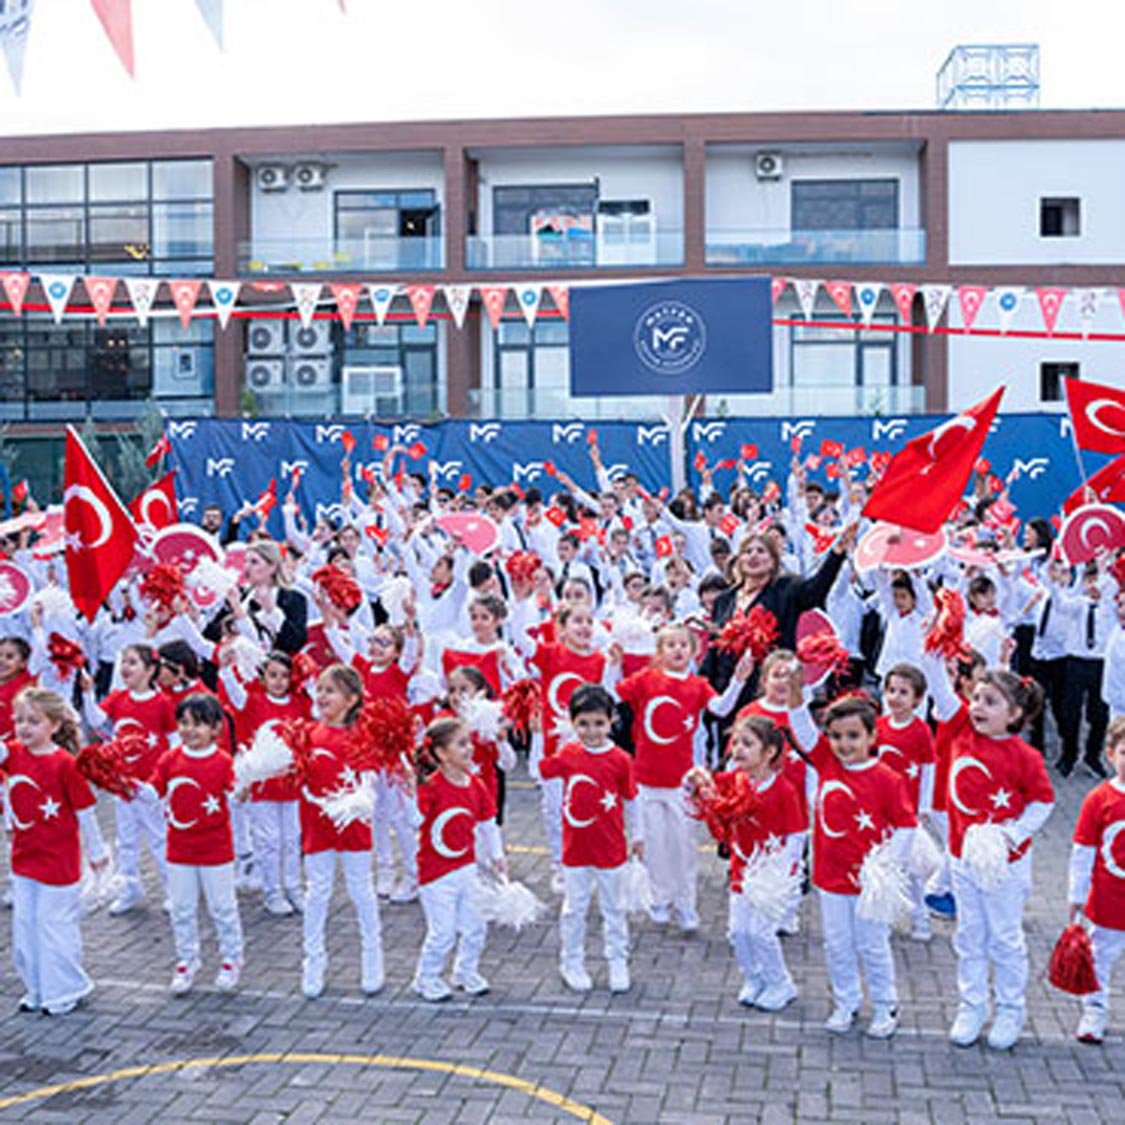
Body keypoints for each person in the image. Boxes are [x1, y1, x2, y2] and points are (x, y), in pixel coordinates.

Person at [928, 664, 1054, 1050]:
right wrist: (935, 638)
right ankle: (972, 1005)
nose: (978, 707)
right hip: (963, 857)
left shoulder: (1025, 756)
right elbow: (937, 682)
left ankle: (1011, 1008)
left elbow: (1043, 803)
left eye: (990, 702)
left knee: (1004, 937)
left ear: (1014, 714)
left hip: (1004, 863)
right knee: (969, 935)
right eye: (977, 698)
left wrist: (1009, 835)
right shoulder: (961, 733)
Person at [788, 694, 916, 1039]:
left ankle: (886, 1004)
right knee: (837, 943)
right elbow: (800, 728)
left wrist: (886, 864)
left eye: (853, 736)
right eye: (837, 736)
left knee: (872, 944)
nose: (844, 744)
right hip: (831, 878)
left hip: (868, 882)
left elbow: (907, 824)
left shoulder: (885, 777)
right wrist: (799, 694)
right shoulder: (827, 763)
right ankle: (846, 1000)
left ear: (872, 737)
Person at [610, 623, 751, 931]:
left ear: (693, 650)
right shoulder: (647, 680)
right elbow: (613, 694)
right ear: (659, 652)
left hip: (681, 782)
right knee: (654, 844)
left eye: (683, 645)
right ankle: (660, 898)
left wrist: (738, 682)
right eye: (670, 645)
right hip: (646, 779)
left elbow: (721, 707)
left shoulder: (698, 685)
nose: (677, 650)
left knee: (684, 846)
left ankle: (686, 905)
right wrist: (613, 665)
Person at [686, 715, 805, 1012]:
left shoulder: (783, 790)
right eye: (736, 742)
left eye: (747, 744)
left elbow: (797, 833)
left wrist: (784, 869)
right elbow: (702, 788)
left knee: (761, 932)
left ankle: (781, 983)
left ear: (769, 753)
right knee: (738, 931)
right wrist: (694, 779)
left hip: (770, 875)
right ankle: (754, 977)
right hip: (742, 870)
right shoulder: (734, 780)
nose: (738, 749)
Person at [1, 688, 108, 1014]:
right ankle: (36, 987)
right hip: (24, 857)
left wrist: (97, 851)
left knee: (54, 925)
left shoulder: (65, 763)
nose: (24, 727)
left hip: (58, 861)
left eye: (34, 721)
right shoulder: (12, 754)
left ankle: (66, 988)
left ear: (55, 724)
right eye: (19, 720)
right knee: (25, 925)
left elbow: (85, 811)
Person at [538, 684, 643, 994]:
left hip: (611, 848)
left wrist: (638, 835)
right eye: (583, 723)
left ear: (611, 722)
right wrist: (539, 734)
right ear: (572, 723)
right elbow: (542, 770)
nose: (591, 730)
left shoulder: (621, 759)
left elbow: (632, 799)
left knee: (614, 908)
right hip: (575, 850)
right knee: (574, 908)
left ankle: (617, 960)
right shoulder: (568, 753)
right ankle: (571, 960)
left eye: (599, 723)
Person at [148, 693, 244, 994]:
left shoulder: (224, 762)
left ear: (216, 728)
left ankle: (232, 957)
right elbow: (154, 790)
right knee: (182, 908)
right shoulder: (170, 759)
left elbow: (237, 797)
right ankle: (187, 959)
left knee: (222, 908)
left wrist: (244, 790)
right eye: (184, 723)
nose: (189, 730)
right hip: (179, 849)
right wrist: (128, 786)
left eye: (198, 724)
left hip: (216, 850)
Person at [299, 664, 384, 999]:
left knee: (361, 891)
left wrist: (362, 798)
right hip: (317, 824)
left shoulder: (361, 735)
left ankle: (372, 957)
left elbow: (369, 777)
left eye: (330, 691)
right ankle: (313, 959)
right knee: (316, 892)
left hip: (352, 826)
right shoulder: (306, 734)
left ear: (351, 700)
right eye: (319, 689)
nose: (322, 696)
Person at [410, 716, 506, 1002]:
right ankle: (426, 978)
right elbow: (415, 821)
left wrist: (497, 856)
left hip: (466, 869)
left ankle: (465, 971)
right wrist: (409, 791)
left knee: (476, 925)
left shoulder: (476, 785)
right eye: (461, 744)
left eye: (469, 743)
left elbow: (488, 823)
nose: (469, 749)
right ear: (441, 753)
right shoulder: (431, 787)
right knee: (443, 932)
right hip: (436, 875)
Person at [81, 643, 176, 916]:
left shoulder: (162, 703)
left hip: (151, 786)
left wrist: (169, 777)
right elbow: (98, 720)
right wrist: (88, 694)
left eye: (133, 662)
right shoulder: (119, 698)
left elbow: (172, 740)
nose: (125, 668)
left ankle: (172, 890)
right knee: (126, 840)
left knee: (159, 839)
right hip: (122, 783)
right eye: (123, 662)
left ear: (150, 670)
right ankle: (130, 888)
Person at [221, 649, 310, 916]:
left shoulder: (298, 703)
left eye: (285, 675)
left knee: (292, 839)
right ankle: (273, 891)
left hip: (291, 783)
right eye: (273, 675)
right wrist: (226, 669)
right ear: (262, 676)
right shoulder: (252, 703)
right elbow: (233, 692)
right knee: (269, 840)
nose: (279, 681)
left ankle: (293, 886)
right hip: (262, 786)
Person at [1068, 716, 1125, 1044]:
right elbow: (1083, 849)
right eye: (1124, 752)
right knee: (1100, 954)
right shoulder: (1098, 799)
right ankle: (1094, 1009)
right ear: (1110, 754)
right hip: (1108, 897)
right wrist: (1076, 893)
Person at [875, 662, 937, 942]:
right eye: (891, 690)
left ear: (918, 699)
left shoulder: (921, 730)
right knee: (884, 864)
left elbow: (929, 768)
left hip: (907, 810)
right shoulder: (877, 726)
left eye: (903, 692)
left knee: (911, 868)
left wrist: (924, 805)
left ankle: (920, 917)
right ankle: (884, 916)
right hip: (879, 809)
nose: (895, 697)